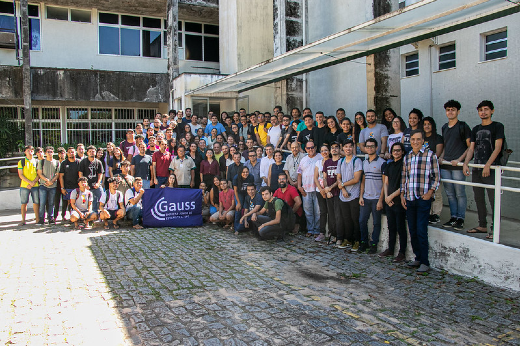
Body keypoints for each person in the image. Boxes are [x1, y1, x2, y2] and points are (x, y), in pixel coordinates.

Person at [463, 100, 505, 240]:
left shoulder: (498, 126)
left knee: (494, 199)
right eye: (480, 110)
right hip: (477, 168)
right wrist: (466, 163)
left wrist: (488, 165)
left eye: (486, 109)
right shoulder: (475, 129)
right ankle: (482, 225)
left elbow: (498, 147)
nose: (483, 112)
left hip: (491, 168)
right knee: (478, 198)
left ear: (492, 111)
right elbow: (472, 148)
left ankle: (495, 229)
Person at [401, 129, 441, 273]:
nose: (415, 142)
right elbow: (404, 178)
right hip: (410, 198)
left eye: (418, 139)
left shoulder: (431, 156)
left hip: (423, 199)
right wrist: (402, 194)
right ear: (410, 140)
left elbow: (436, 178)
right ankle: (417, 258)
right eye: (413, 139)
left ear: (423, 140)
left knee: (421, 230)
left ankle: (425, 261)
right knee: (412, 229)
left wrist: (430, 192)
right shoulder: (408, 157)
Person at [439, 100, 471, 230]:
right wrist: (441, 157)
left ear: (458, 111)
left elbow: (470, 147)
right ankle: (453, 217)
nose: (450, 112)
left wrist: (460, 160)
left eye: (453, 109)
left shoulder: (463, 126)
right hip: (446, 165)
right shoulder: (444, 127)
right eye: (448, 110)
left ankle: (460, 218)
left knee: (459, 193)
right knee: (450, 193)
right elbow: (446, 145)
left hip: (457, 166)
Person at [380, 142, 407, 262]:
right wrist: (386, 197)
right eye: (394, 150)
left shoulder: (404, 165)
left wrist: (391, 196)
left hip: (398, 201)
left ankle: (402, 252)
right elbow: (385, 183)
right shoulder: (389, 165)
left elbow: (404, 184)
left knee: (401, 228)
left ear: (402, 152)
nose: (396, 152)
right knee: (391, 226)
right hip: (389, 201)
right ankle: (390, 249)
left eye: (398, 150)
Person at [358, 138, 385, 253]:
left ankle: (374, 244)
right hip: (366, 197)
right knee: (362, 221)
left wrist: (380, 200)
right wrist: (360, 196)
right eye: (367, 146)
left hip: (376, 198)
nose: (369, 148)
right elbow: (363, 181)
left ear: (376, 148)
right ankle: (363, 242)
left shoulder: (382, 163)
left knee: (376, 222)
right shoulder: (364, 162)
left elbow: (385, 183)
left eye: (372, 146)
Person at [336, 139, 363, 252]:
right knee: (346, 218)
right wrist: (342, 189)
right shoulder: (341, 161)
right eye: (346, 146)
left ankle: (357, 241)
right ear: (343, 149)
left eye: (350, 146)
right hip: (343, 194)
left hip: (354, 194)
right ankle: (348, 239)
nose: (348, 149)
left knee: (354, 219)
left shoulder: (357, 161)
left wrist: (342, 185)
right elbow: (338, 177)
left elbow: (356, 179)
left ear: (353, 148)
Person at [298, 141, 323, 237]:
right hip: (306, 189)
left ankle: (317, 230)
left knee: (318, 211)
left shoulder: (320, 157)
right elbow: (299, 173)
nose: (310, 149)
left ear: (315, 147)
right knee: (308, 211)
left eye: (312, 147)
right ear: (305, 149)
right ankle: (310, 229)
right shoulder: (303, 159)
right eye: (308, 148)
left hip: (317, 189)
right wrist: (299, 186)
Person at [423, 117, 444, 224]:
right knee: (426, 191)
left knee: (436, 191)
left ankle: (436, 214)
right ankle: (429, 213)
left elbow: (437, 153)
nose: (427, 126)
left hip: (434, 167)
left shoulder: (437, 138)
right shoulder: (420, 138)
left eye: (429, 124)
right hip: (423, 169)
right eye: (425, 124)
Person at [321, 142, 342, 245]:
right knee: (331, 215)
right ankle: (332, 235)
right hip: (329, 193)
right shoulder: (327, 162)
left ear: (339, 149)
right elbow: (324, 178)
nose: (334, 149)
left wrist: (329, 188)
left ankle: (339, 237)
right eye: (332, 148)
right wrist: (326, 189)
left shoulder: (341, 161)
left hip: (338, 192)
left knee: (338, 216)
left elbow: (340, 179)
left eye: (336, 148)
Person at [36, 146, 60, 225]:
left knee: (51, 203)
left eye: (51, 152)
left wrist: (52, 181)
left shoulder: (56, 162)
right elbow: (39, 173)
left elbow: (57, 174)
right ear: (45, 153)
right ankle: (41, 219)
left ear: (53, 153)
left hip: (53, 186)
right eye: (48, 152)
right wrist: (47, 180)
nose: (50, 153)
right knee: (42, 203)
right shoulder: (41, 162)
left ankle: (50, 218)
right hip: (43, 185)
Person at [18, 145, 40, 225]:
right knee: (24, 203)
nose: (30, 152)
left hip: (35, 185)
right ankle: (23, 220)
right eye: (28, 151)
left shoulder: (37, 161)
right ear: (25, 152)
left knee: (36, 202)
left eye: (31, 150)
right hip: (24, 186)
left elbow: (39, 174)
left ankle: (37, 220)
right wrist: (29, 183)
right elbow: (21, 175)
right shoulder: (21, 162)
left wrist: (33, 182)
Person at [78, 145, 104, 213]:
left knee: (102, 198)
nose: (92, 153)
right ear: (87, 153)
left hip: (96, 184)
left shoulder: (98, 162)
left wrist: (98, 183)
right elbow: (80, 174)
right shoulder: (83, 162)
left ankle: (102, 214)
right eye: (90, 151)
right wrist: (84, 185)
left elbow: (100, 173)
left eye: (93, 151)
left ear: (95, 152)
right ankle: (88, 215)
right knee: (86, 200)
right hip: (87, 185)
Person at [59, 147, 82, 223]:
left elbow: (81, 175)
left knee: (78, 202)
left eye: (72, 152)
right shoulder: (64, 163)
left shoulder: (79, 162)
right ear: (67, 153)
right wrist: (62, 188)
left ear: (75, 152)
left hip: (77, 187)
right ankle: (69, 217)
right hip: (67, 187)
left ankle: (79, 216)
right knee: (69, 203)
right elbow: (61, 176)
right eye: (69, 152)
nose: (71, 153)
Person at [314, 145, 330, 242]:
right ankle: (322, 233)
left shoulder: (332, 162)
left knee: (332, 213)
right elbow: (316, 177)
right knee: (323, 212)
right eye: (322, 150)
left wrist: (326, 190)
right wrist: (321, 190)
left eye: (326, 150)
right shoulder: (318, 162)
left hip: (330, 190)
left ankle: (332, 233)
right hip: (319, 190)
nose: (324, 152)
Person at [54, 147, 68, 222]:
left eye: (63, 153)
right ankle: (55, 216)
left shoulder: (67, 162)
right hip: (57, 185)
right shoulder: (56, 163)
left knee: (65, 202)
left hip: (66, 184)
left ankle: (63, 216)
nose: (62, 155)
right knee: (56, 202)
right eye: (60, 153)